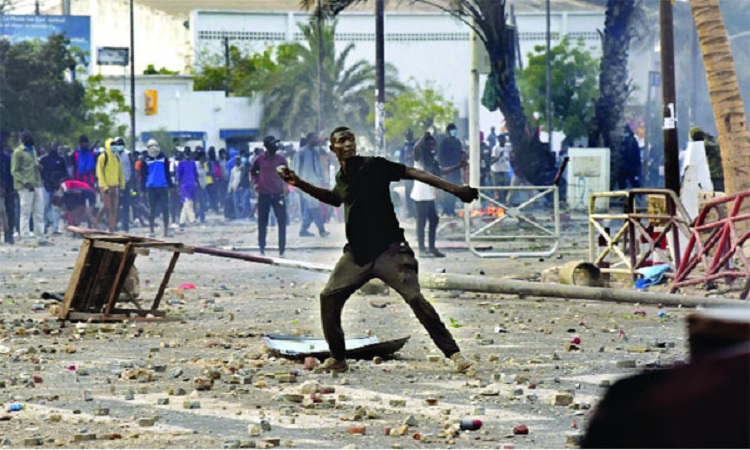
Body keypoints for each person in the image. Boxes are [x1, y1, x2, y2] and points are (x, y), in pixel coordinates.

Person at [278, 126, 479, 373]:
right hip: (357, 255)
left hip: (390, 252)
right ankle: (338, 358)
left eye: (351, 139)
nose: (348, 143)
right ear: (333, 148)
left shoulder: (374, 165)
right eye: (342, 141)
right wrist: (298, 182)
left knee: (415, 298)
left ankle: (454, 354)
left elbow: (414, 172)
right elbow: (334, 199)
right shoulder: (343, 177)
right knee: (328, 297)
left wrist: (455, 189)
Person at [410, 132, 464, 258]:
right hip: (420, 193)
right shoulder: (420, 156)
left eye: (433, 145)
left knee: (433, 220)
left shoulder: (431, 159)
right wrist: (424, 136)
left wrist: (458, 166)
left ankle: (432, 248)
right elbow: (417, 147)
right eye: (430, 145)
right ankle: (422, 249)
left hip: (429, 193)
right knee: (421, 222)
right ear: (425, 145)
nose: (432, 147)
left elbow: (440, 171)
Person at [250, 135, 289, 257]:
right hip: (264, 194)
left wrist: (286, 186)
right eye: (273, 144)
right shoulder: (259, 160)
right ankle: (262, 246)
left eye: (276, 144)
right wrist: (256, 183)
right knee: (262, 221)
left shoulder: (281, 159)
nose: (276, 146)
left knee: (282, 221)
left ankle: (282, 248)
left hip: (278, 194)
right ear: (267, 146)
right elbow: (252, 172)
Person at [12, 131, 48, 244]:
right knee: (25, 212)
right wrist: (25, 182)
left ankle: (40, 237)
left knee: (39, 212)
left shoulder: (33, 151)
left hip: (37, 184)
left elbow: (34, 164)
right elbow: (14, 171)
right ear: (22, 139)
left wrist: (39, 167)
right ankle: (25, 238)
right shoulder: (18, 152)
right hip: (25, 186)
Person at [294, 132, 329, 237]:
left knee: (310, 208)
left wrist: (324, 180)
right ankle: (321, 230)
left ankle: (303, 229)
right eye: (315, 138)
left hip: (315, 182)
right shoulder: (301, 153)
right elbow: (296, 168)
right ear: (309, 139)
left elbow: (319, 167)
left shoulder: (316, 152)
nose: (317, 140)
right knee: (314, 206)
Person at [140, 139, 172, 237]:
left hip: (163, 186)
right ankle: (151, 230)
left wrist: (171, 185)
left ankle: (166, 231)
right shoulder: (145, 160)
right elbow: (143, 175)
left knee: (165, 208)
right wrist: (142, 189)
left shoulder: (163, 158)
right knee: (152, 209)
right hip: (151, 187)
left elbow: (167, 173)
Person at [95, 138, 125, 232]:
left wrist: (122, 185)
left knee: (114, 207)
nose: (114, 146)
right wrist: (105, 186)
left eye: (114, 144)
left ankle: (111, 228)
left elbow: (121, 173)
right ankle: (96, 222)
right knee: (106, 205)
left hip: (115, 185)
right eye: (112, 144)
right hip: (105, 186)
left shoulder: (117, 158)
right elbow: (99, 172)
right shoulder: (103, 157)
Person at [39, 144, 68, 235]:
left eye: (55, 146)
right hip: (46, 185)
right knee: (45, 206)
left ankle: (55, 228)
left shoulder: (61, 160)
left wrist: (60, 182)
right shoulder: (44, 160)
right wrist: (42, 181)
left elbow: (65, 173)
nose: (54, 148)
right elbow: (40, 173)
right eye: (52, 146)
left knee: (57, 207)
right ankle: (45, 226)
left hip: (58, 186)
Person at [437, 123, 464, 216]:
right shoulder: (444, 142)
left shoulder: (458, 142)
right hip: (447, 171)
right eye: (453, 130)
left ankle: (452, 210)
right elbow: (440, 157)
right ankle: (446, 210)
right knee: (447, 192)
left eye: (455, 129)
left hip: (456, 171)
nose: (454, 131)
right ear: (448, 131)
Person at [176, 146, 199, 227]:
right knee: (187, 202)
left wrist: (197, 182)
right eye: (186, 152)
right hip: (184, 186)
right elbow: (178, 176)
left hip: (192, 185)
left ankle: (181, 222)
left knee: (188, 204)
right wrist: (178, 187)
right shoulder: (181, 163)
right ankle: (192, 220)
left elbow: (195, 174)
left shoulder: (193, 163)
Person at [399, 129, 416, 219]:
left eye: (410, 134)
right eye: (407, 135)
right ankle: (410, 212)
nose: (409, 136)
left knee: (416, 192)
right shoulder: (403, 148)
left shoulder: (415, 145)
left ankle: (416, 211)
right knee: (409, 192)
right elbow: (401, 161)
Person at [0, 141, 15, 244]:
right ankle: (8, 234)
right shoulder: (7, 158)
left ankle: (9, 233)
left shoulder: (7, 159)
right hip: (8, 188)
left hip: (7, 188)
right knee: (9, 212)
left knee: (8, 212)